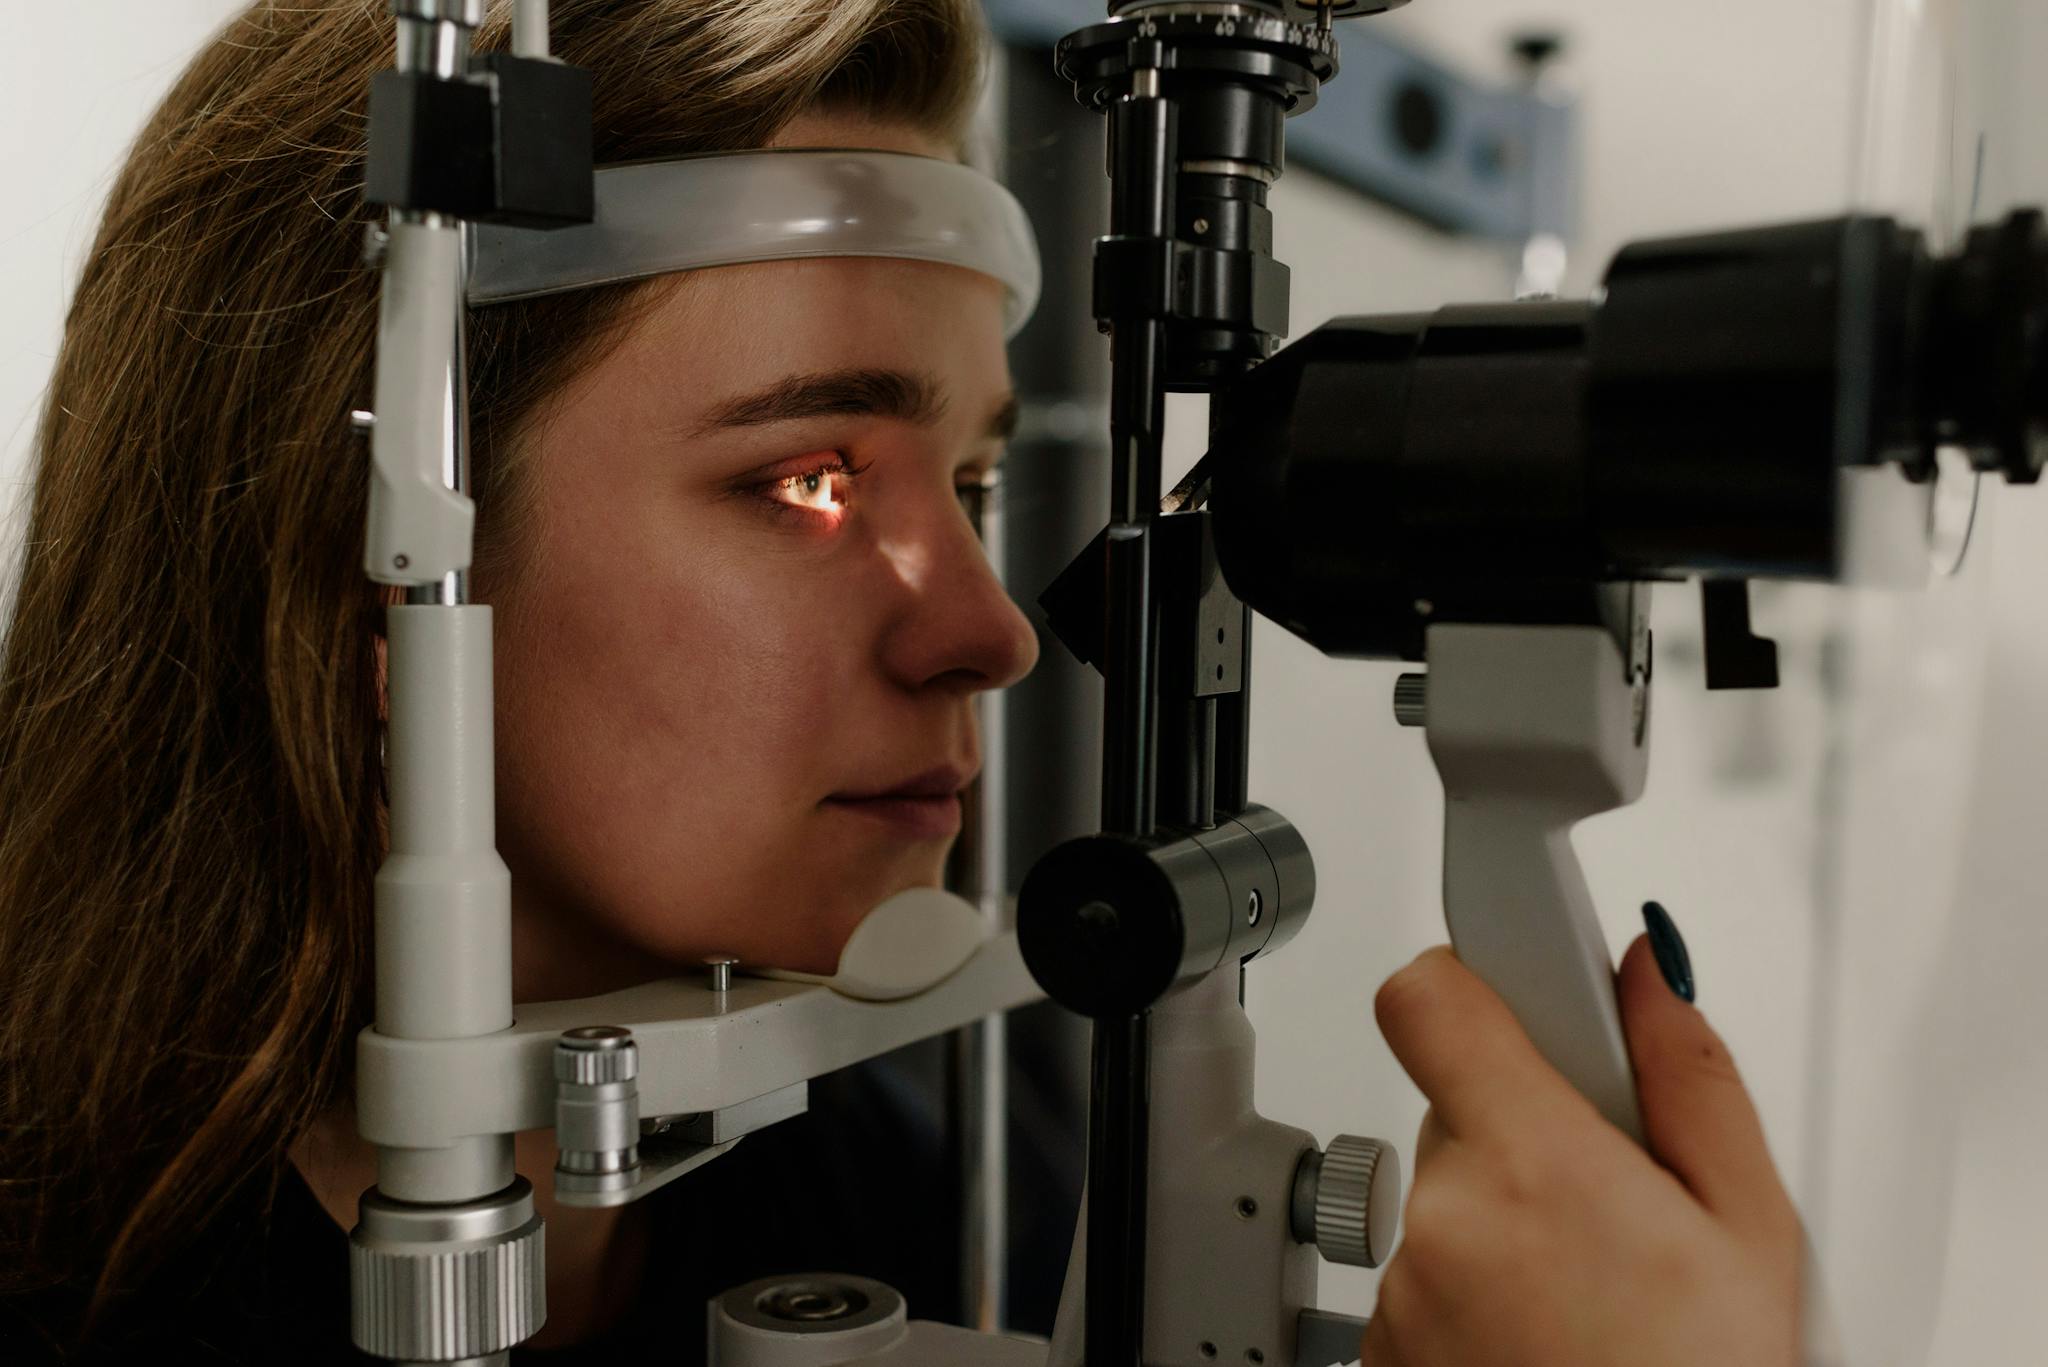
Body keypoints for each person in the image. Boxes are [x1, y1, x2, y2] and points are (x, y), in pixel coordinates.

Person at [0, 1, 1808, 1363]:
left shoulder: (952, 1165)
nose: (993, 629)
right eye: (807, 481)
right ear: (372, 585)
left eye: (975, 482)